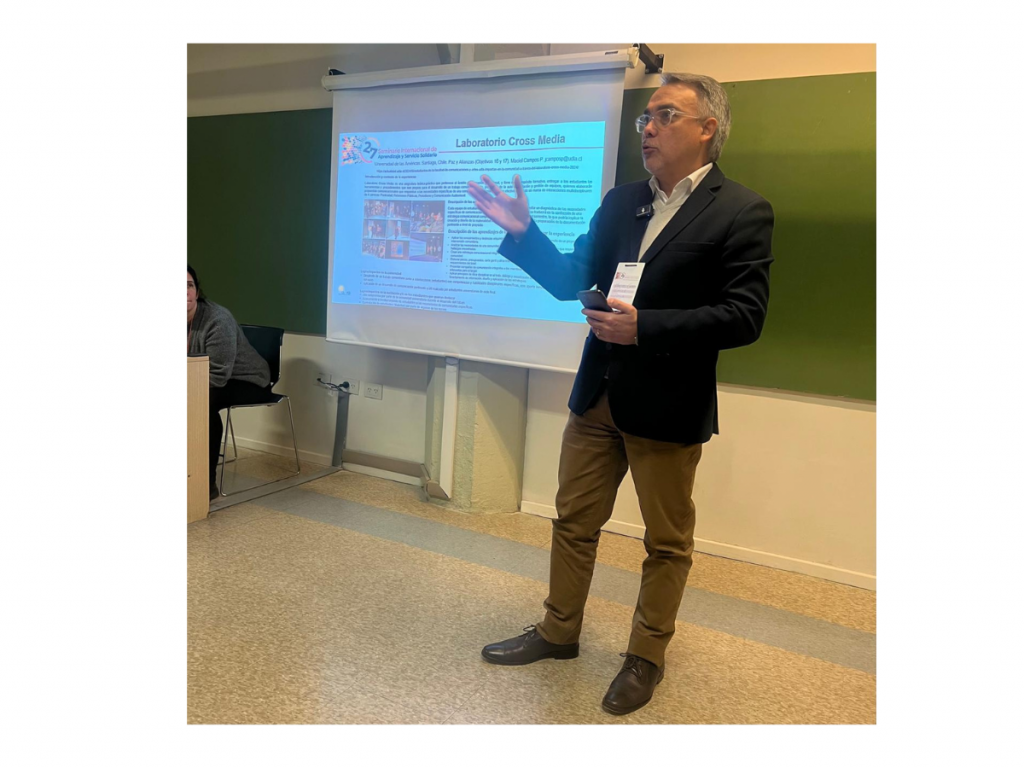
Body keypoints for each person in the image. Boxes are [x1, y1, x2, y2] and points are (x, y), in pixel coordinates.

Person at [467, 73, 774, 715]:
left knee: (666, 541)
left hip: (669, 402)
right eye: (645, 118)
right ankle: (558, 632)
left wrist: (647, 328)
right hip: (598, 394)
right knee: (573, 521)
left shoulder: (742, 210)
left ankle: (646, 656)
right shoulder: (621, 201)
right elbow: (571, 279)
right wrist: (525, 234)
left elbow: (744, 317)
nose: (648, 128)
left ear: (707, 128)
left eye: (665, 116)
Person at [187, 265, 271, 500]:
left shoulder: (217, 320)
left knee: (203, 404)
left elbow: (217, 376)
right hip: (198, 381)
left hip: (247, 380)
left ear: (197, 291)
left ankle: (205, 485)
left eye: (189, 285)